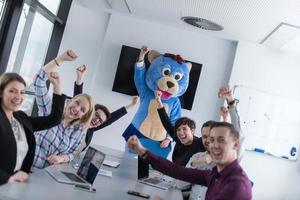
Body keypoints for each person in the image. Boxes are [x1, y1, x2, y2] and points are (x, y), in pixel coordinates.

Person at [127, 120, 252, 200]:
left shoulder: (237, 184)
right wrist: (142, 151)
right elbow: (177, 171)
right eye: (211, 140)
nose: (214, 145)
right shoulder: (215, 174)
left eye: (221, 140)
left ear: (236, 144)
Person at [0, 71, 65, 185]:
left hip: (17, 185)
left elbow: (54, 119)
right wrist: (7, 178)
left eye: (22, 92)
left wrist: (57, 86)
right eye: (12, 91)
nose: (18, 97)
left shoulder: (20, 117)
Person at [32, 50, 94, 169]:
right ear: (70, 100)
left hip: (48, 177)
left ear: (84, 116)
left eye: (82, 110)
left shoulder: (79, 131)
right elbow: (39, 81)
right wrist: (61, 59)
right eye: (76, 103)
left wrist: (62, 158)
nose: (76, 109)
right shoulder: (50, 111)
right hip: (27, 169)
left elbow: (73, 154)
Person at [186, 85, 245, 200]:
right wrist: (195, 163)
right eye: (204, 137)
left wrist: (231, 102)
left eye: (212, 137)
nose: (208, 140)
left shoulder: (229, 160)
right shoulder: (196, 157)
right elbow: (179, 184)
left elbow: (239, 134)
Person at [72, 64, 139, 151]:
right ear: (90, 111)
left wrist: (132, 105)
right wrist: (80, 77)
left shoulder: (91, 130)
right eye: (96, 115)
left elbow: (112, 118)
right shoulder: (76, 119)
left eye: (100, 121)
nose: (96, 120)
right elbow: (78, 97)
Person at [155, 90, 205, 166]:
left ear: (192, 130)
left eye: (184, 129)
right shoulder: (179, 139)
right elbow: (166, 123)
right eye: (178, 129)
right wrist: (159, 101)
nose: (181, 132)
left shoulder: (200, 143)